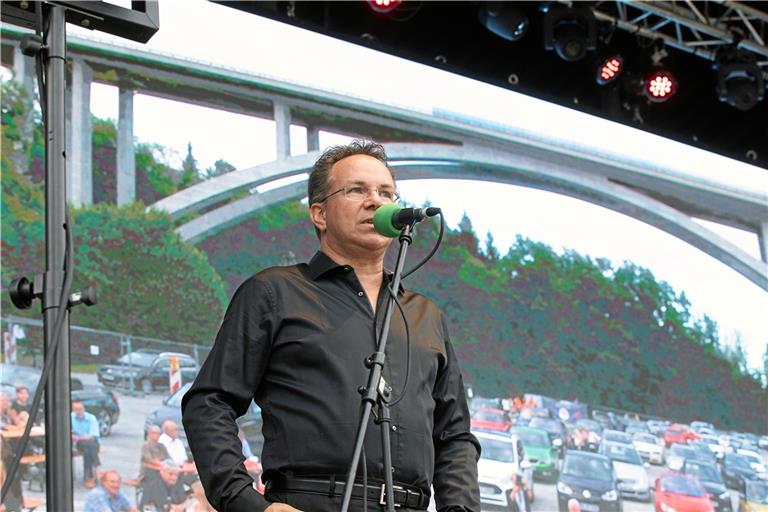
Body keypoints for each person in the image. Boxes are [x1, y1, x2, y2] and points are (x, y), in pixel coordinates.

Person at [182, 140, 480, 511]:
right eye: (357, 190)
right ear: (319, 214)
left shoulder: (426, 315)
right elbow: (210, 401)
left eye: (386, 192)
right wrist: (245, 503)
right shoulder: (275, 292)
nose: (375, 200)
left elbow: (454, 436)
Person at [71, 399, 101, 488]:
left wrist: (77, 437)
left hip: (93, 443)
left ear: (84, 408)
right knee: (87, 445)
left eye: (80, 409)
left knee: (88, 448)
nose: (78, 411)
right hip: (80, 444)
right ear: (73, 410)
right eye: (76, 409)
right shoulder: (70, 417)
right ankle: (96, 468)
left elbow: (92, 436)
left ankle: (88, 476)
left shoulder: (91, 418)